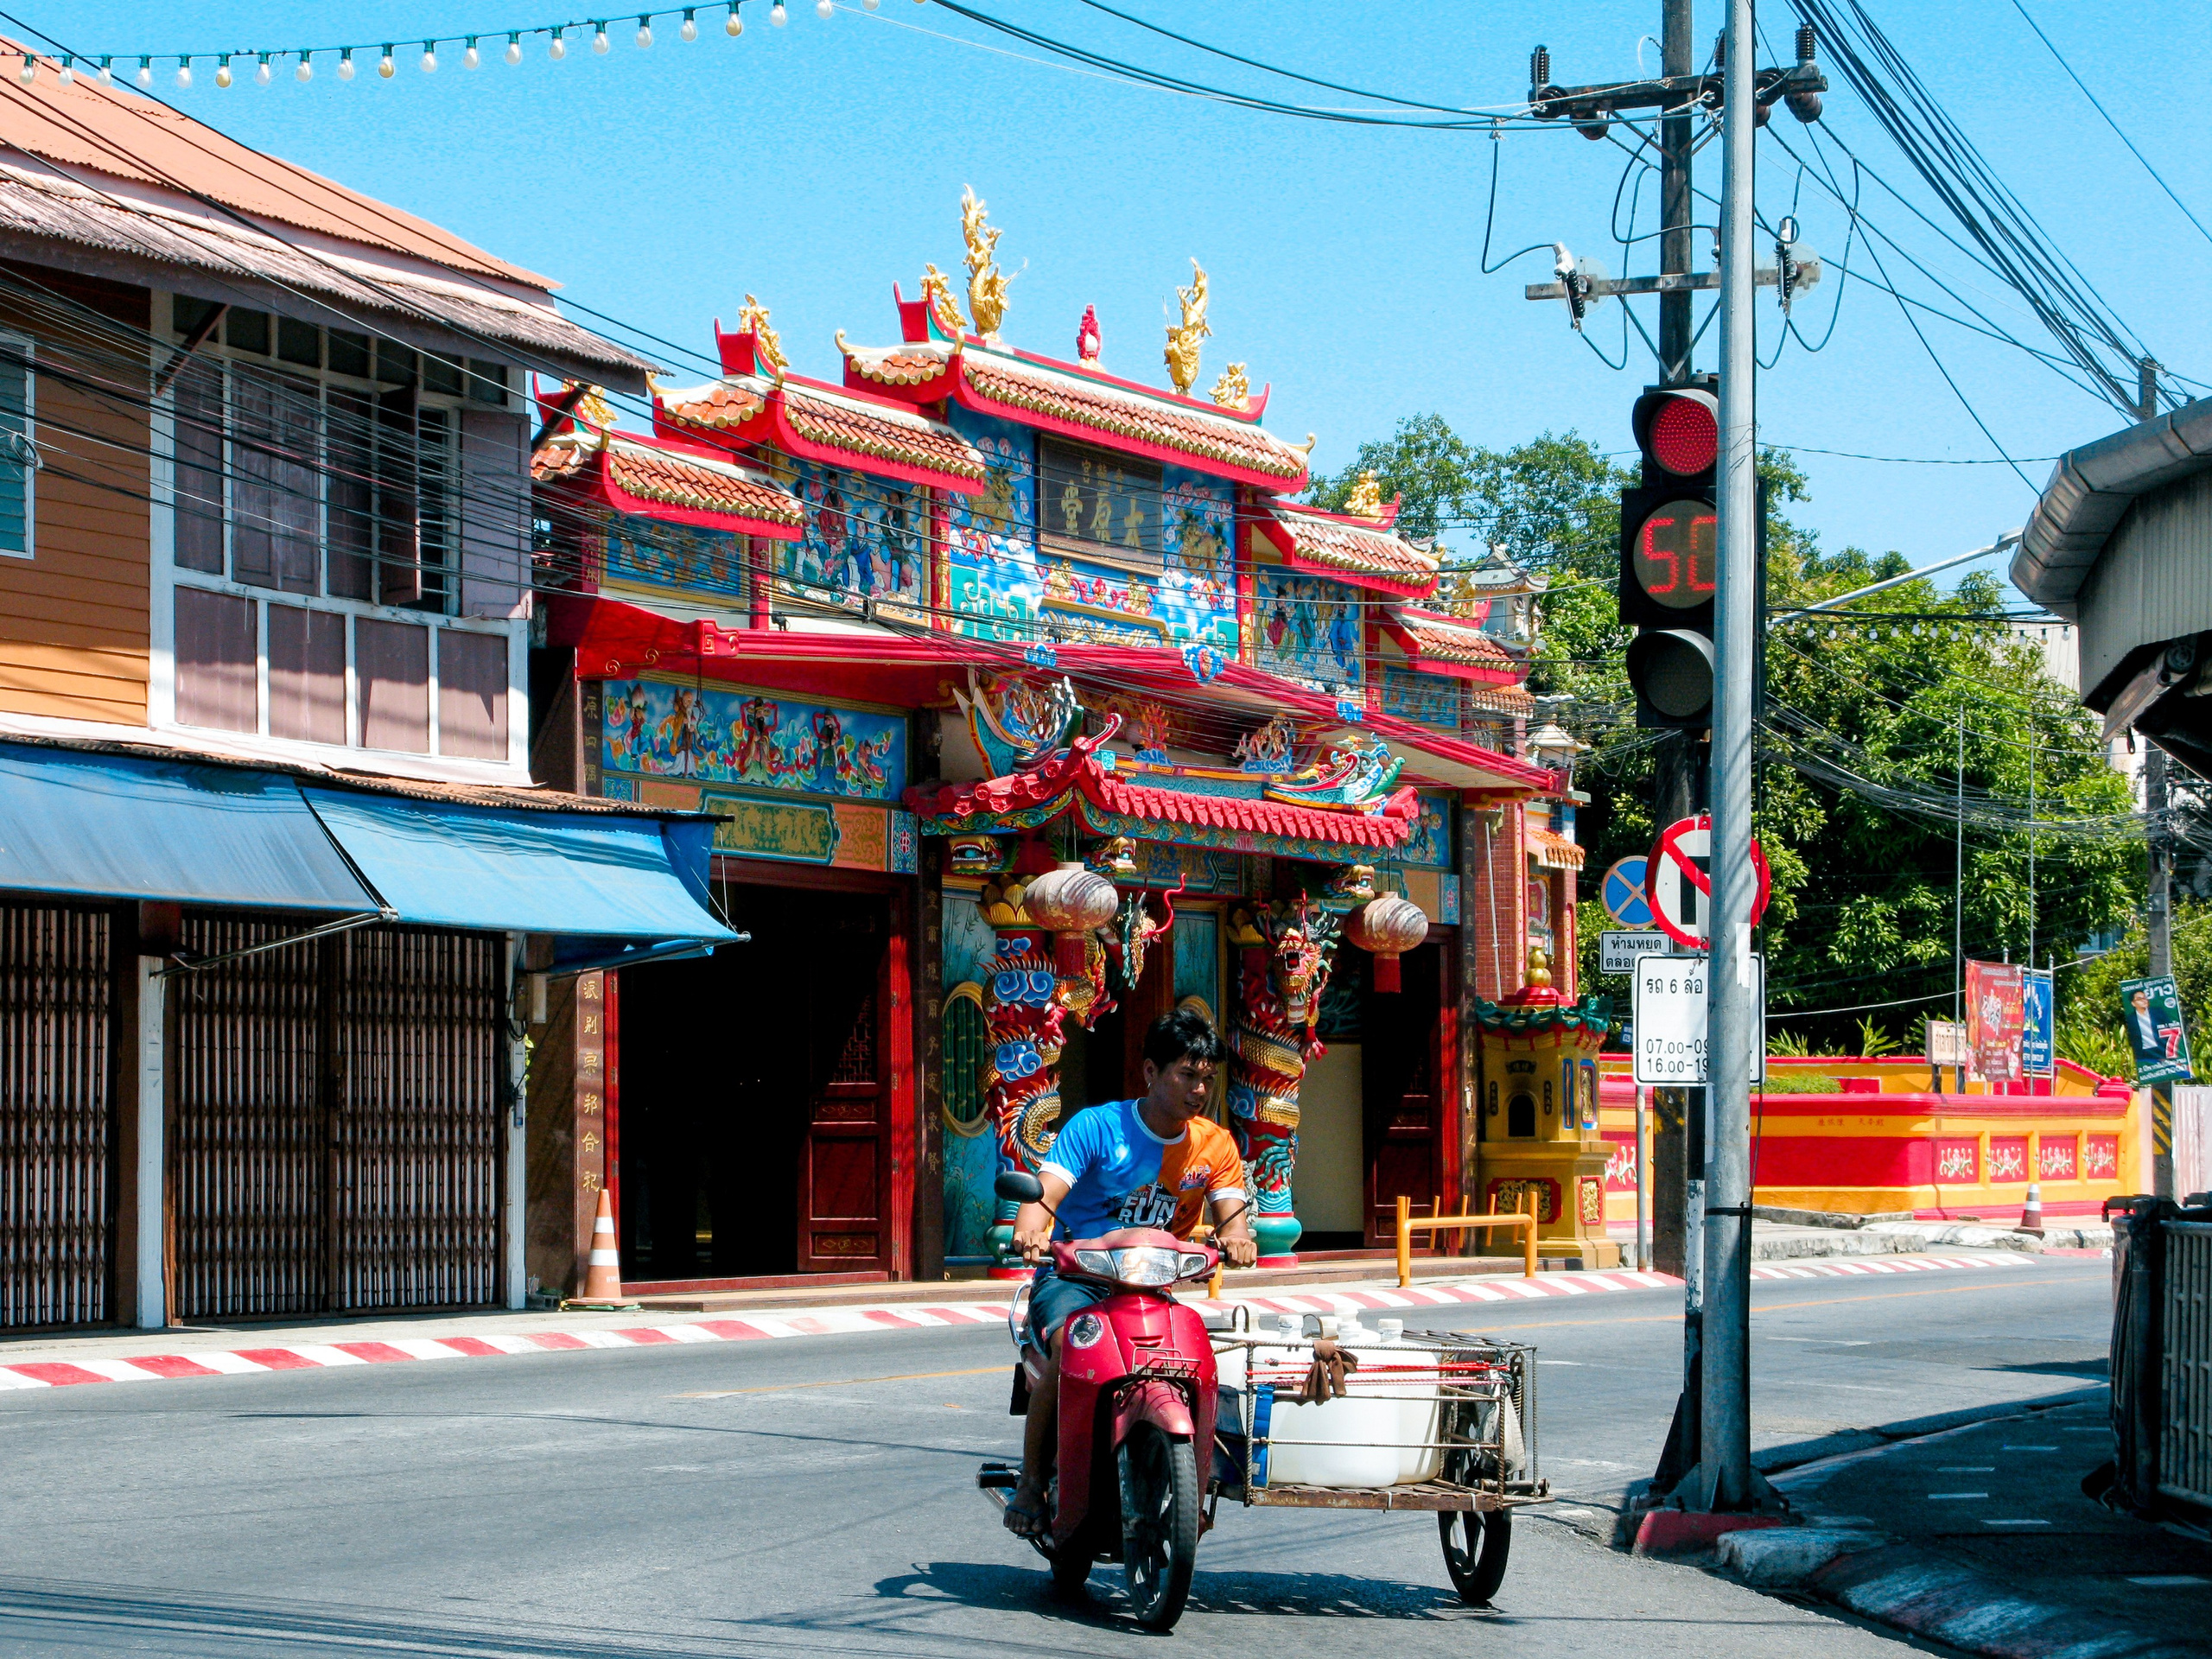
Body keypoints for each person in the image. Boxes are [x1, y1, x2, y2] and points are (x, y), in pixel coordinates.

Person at [1002, 1007, 1255, 1539]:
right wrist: (1029, 1232)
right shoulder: (1097, 1126)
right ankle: (1030, 1482)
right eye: (1186, 1075)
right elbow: (1045, 1195)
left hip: (1151, 1283)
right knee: (1067, 1353)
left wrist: (1238, 1238)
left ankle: (1196, 1485)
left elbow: (1233, 1216)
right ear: (1149, 1071)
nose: (1199, 1090)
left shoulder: (1215, 1144)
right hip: (1076, 1278)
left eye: (1208, 1078)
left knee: (1203, 1362)